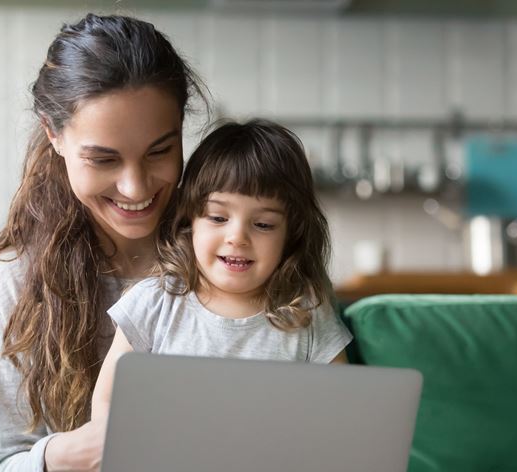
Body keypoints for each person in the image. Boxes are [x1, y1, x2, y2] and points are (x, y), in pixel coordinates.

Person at [0, 13, 205, 472]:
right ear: (54, 136)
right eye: (103, 159)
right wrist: (69, 457)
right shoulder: (17, 279)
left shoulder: (232, 254)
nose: (136, 186)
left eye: (160, 151)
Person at [91, 119, 352, 421]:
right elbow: (108, 402)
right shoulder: (153, 303)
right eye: (217, 218)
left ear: (290, 235)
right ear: (191, 221)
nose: (237, 237)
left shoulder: (307, 316)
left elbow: (340, 413)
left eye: (263, 224)